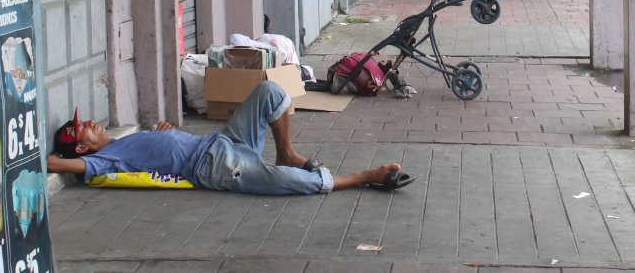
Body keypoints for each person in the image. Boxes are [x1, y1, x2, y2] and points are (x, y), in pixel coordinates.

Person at [47, 81, 413, 195]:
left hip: (221, 141)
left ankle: (287, 151)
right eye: (83, 127)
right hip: (215, 167)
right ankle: (364, 177)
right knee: (282, 182)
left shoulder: (120, 142)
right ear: (81, 147)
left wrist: (167, 133)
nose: (91, 121)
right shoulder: (100, 161)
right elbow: (53, 163)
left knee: (269, 90)